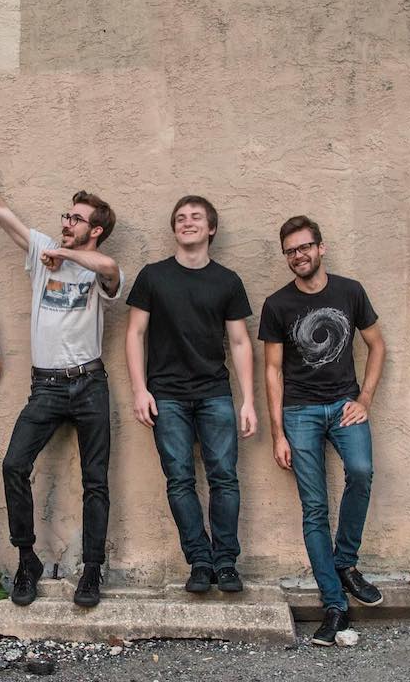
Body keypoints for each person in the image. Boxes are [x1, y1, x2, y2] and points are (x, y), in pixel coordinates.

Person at [0, 152, 123, 608]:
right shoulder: (42, 250)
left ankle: (93, 570)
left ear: (94, 230)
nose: (66, 222)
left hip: (90, 384)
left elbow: (112, 272)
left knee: (95, 480)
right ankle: (27, 560)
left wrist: (68, 255)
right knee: (13, 466)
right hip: (47, 388)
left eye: (76, 218)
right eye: (66, 215)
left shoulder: (96, 265)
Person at [258, 215, 386, 646]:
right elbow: (272, 371)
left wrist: (364, 400)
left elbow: (377, 345)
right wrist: (278, 432)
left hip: (345, 405)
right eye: (290, 250)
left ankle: (345, 563)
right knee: (314, 509)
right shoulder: (277, 305)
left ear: (320, 247)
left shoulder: (350, 291)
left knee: (362, 472)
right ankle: (335, 606)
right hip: (300, 414)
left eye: (304, 247)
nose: (298, 255)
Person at [125, 195, 257, 594]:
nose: (187, 222)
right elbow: (134, 333)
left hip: (215, 392)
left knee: (224, 478)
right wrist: (139, 390)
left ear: (211, 228)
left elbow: (239, 342)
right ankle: (199, 560)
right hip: (166, 395)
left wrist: (248, 400)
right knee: (179, 479)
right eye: (180, 217)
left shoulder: (227, 281)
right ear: (174, 229)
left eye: (196, 217)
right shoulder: (152, 276)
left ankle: (226, 562)